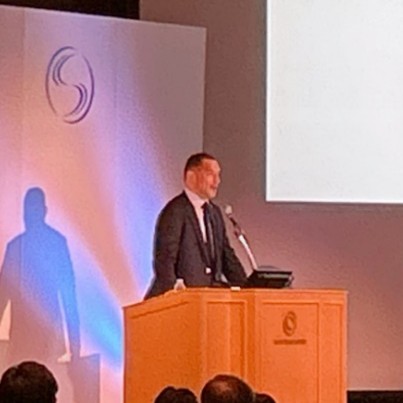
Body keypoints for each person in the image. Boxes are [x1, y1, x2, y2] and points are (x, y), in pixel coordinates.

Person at [145, 152, 247, 299]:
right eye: (210, 174)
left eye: (218, 175)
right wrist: (175, 295)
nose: (217, 181)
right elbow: (165, 261)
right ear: (191, 177)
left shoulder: (215, 213)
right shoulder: (175, 211)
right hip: (180, 302)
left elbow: (227, 258)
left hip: (208, 300)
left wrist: (248, 289)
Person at [0, 188, 80, 365]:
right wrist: (75, 347)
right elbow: (69, 298)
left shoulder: (17, 247)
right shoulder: (55, 243)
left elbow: (2, 296)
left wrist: (75, 347)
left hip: (39, 338)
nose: (29, 216)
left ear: (43, 211)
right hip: (34, 338)